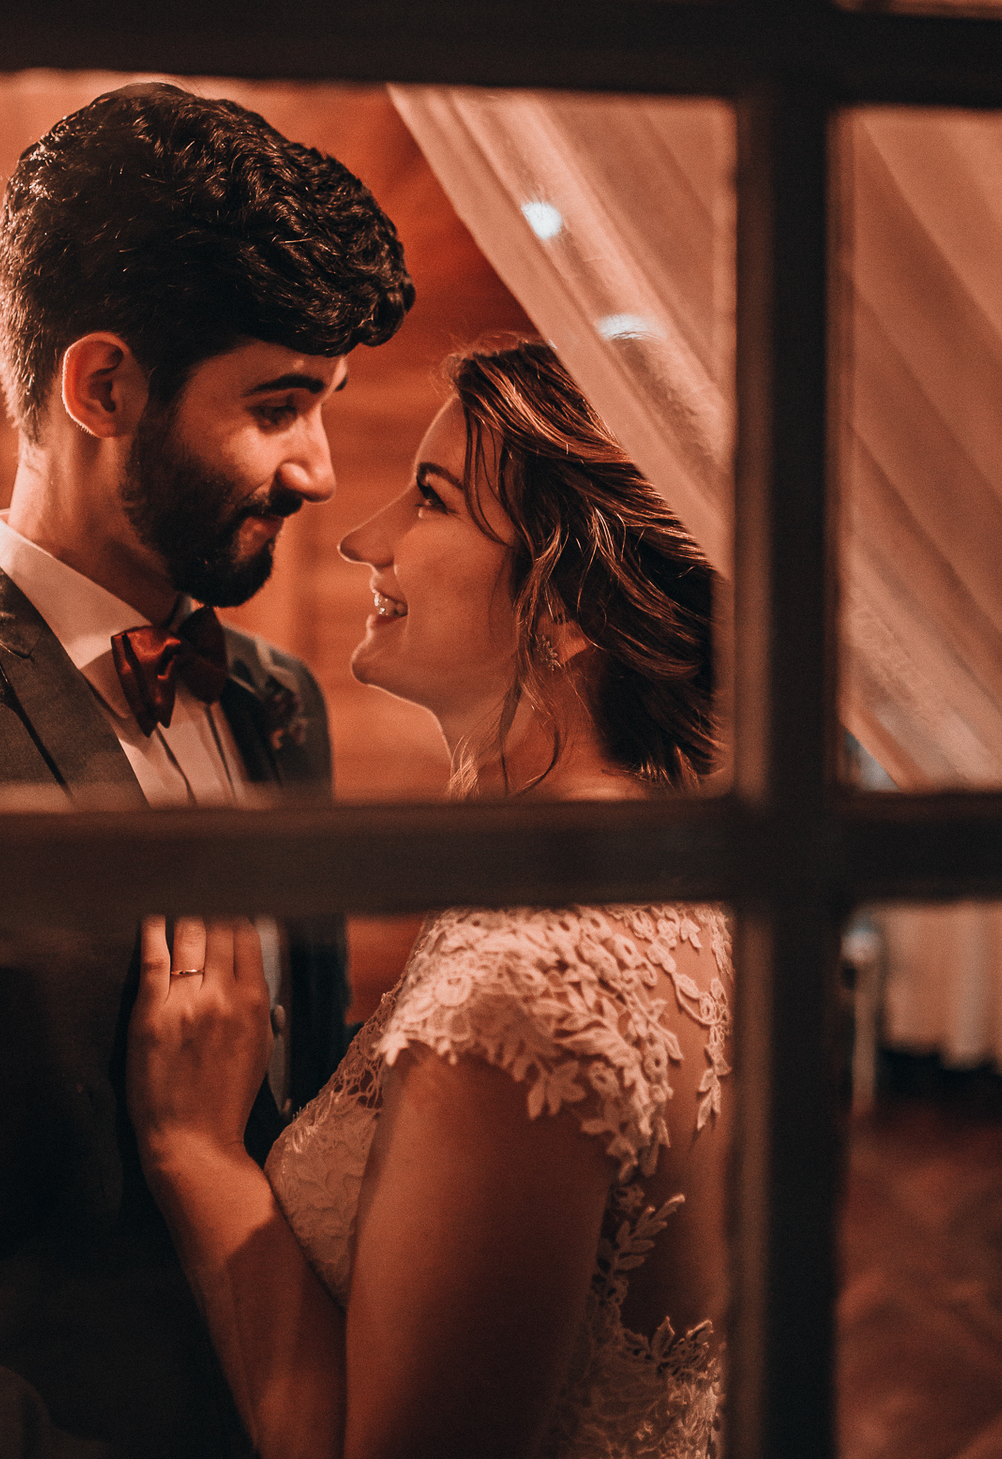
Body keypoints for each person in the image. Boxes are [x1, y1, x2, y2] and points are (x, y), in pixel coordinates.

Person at [126, 340, 731, 1459]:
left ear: (570, 604)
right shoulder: (678, 870)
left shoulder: (523, 998)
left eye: (433, 500)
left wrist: (195, 1151)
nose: (364, 536)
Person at [0, 82, 414, 1457]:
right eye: (278, 406)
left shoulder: (283, 705)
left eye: (328, 406)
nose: (321, 471)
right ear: (102, 387)